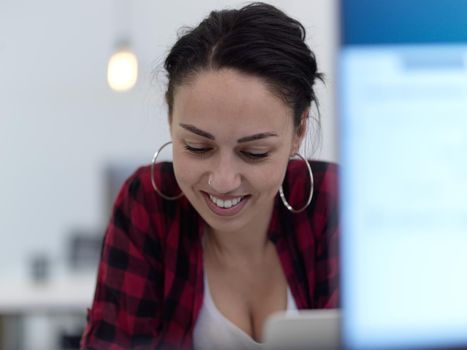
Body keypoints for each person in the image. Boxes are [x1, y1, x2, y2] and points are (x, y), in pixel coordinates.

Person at [80, 2, 338, 349]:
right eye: (198, 147)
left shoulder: (335, 200)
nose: (223, 180)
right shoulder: (149, 205)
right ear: (171, 119)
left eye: (254, 152)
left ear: (299, 130)